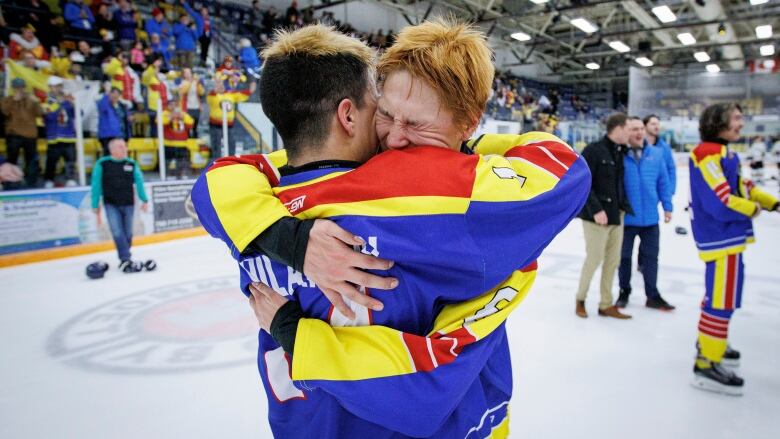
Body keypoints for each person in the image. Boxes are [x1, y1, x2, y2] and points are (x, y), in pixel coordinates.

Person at [192, 22, 589, 438]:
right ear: (352, 113)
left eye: (416, 125)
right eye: (384, 113)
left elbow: (223, 179)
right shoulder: (450, 198)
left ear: (467, 123)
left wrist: (282, 243)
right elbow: (563, 168)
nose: (394, 140)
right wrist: (467, 151)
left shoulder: (260, 195)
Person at [689, 103, 779, 395]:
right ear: (719, 122)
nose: (742, 123)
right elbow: (722, 200)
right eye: (737, 118)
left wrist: (771, 202)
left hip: (729, 237)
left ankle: (712, 343)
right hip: (720, 238)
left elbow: (745, 187)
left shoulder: (725, 153)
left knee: (721, 297)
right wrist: (753, 209)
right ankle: (706, 363)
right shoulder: (707, 154)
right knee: (721, 300)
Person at [575, 113, 633, 319]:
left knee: (612, 261)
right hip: (596, 217)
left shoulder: (621, 152)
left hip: (617, 215)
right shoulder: (593, 151)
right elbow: (582, 182)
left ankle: (606, 304)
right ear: (617, 129)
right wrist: (596, 209)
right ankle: (580, 299)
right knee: (594, 259)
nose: (631, 134)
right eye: (628, 129)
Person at [615, 117, 674, 310]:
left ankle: (652, 295)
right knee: (623, 258)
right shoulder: (619, 155)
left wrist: (667, 206)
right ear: (626, 131)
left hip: (650, 218)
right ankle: (624, 292)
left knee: (650, 258)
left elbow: (663, 182)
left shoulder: (657, 154)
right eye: (633, 129)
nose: (639, 132)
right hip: (627, 218)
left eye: (641, 128)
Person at [91, 138, 149, 272]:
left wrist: (144, 200)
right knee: (117, 231)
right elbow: (96, 185)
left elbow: (139, 182)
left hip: (128, 203)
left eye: (125, 146)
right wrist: (95, 204)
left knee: (128, 233)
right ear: (112, 149)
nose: (124, 149)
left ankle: (124, 257)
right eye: (120, 147)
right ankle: (125, 258)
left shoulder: (131, 163)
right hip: (111, 204)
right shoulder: (103, 164)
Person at [1, 78, 43, 188]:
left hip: (30, 134)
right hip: (13, 134)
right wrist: (14, 100)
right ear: (13, 88)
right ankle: (10, 181)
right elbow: (4, 112)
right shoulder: (7, 99)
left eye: (21, 87)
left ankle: (31, 182)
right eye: (17, 87)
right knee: (12, 159)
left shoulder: (31, 100)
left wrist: (36, 102)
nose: (20, 90)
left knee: (31, 160)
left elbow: (40, 113)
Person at [43, 76, 78, 188]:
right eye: (53, 87)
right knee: (52, 161)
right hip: (54, 137)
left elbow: (78, 114)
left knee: (70, 160)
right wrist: (60, 103)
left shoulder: (68, 100)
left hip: (68, 136)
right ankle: (49, 179)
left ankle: (70, 178)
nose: (56, 89)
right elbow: (50, 116)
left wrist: (74, 105)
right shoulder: (47, 101)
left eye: (58, 86)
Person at [206, 79, 254, 158]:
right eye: (218, 84)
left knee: (231, 144)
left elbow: (243, 94)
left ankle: (231, 161)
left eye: (222, 84)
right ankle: (216, 162)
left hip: (229, 125)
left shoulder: (231, 95)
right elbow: (211, 96)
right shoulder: (212, 95)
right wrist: (216, 89)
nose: (220, 86)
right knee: (216, 145)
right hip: (216, 125)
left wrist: (251, 88)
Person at [644, 115, 676, 197]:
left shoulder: (664, 147)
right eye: (653, 124)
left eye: (658, 124)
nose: (656, 127)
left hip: (660, 191)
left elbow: (671, 168)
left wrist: (670, 189)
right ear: (645, 126)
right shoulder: (639, 146)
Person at [161, 98, 193, 178]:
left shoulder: (183, 114)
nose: (173, 107)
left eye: (174, 105)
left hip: (182, 144)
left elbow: (191, 124)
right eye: (171, 105)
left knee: (182, 161)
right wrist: (170, 117)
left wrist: (183, 117)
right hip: (168, 143)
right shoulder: (164, 113)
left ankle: (181, 175)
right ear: (167, 106)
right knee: (168, 161)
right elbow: (160, 123)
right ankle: (167, 175)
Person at [97, 87, 131, 155]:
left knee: (121, 154)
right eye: (113, 94)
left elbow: (126, 116)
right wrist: (106, 95)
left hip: (121, 135)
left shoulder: (122, 105)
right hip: (108, 135)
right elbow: (102, 107)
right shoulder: (104, 103)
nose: (115, 97)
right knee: (109, 155)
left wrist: (130, 118)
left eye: (117, 95)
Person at [141, 54, 169, 136]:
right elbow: (145, 79)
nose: (159, 64)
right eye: (158, 61)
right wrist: (152, 67)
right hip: (153, 105)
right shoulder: (147, 74)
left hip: (162, 104)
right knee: (155, 126)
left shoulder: (160, 76)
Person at [172, 0, 203, 69]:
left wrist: (194, 30)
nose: (185, 20)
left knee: (190, 68)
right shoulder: (177, 25)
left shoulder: (191, 27)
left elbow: (196, 37)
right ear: (180, 20)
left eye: (186, 19)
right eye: (183, 19)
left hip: (190, 50)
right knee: (181, 68)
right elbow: (175, 32)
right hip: (181, 49)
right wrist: (183, 25)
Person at [176, 67, 205, 137]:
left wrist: (198, 84)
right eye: (186, 73)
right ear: (183, 75)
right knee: (188, 126)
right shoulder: (182, 83)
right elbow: (184, 91)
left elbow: (201, 92)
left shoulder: (195, 82)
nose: (189, 74)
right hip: (187, 108)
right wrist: (191, 82)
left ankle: (195, 140)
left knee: (195, 127)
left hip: (196, 107)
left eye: (189, 72)